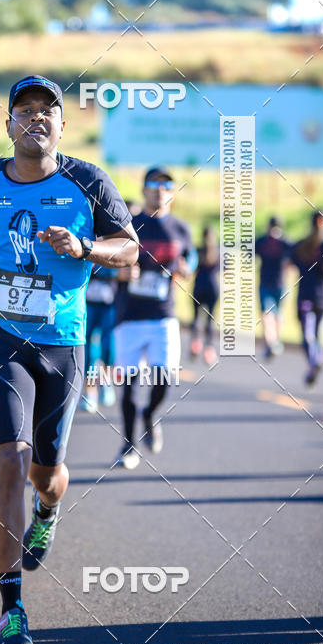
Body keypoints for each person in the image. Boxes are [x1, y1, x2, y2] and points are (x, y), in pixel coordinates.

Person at [0, 75, 138, 644]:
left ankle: (51, 506)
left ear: (62, 125)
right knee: (7, 462)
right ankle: (12, 610)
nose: (36, 118)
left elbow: (130, 248)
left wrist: (85, 250)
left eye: (47, 111)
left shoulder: (87, 182)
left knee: (45, 471)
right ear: (7, 124)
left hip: (63, 336)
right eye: (24, 110)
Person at [113, 167, 195, 470]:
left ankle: (150, 415)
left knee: (164, 377)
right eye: (153, 184)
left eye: (166, 185)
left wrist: (187, 268)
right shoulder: (129, 225)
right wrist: (118, 272)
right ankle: (129, 443)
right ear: (144, 189)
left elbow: (191, 257)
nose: (159, 190)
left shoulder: (181, 229)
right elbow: (104, 261)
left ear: (172, 191)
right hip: (130, 316)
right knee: (130, 384)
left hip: (164, 315)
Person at [290, 211, 323, 386]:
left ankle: (314, 362)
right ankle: (316, 361)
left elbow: (288, 263)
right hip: (321, 296)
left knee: (308, 334)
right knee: (317, 333)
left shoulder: (300, 246)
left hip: (306, 295)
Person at [79, 264, 118, 412]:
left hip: (109, 303)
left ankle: (106, 380)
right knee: (88, 348)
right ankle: (90, 391)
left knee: (108, 346)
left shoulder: (113, 241)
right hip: (87, 302)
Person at [255, 216, 291, 358]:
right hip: (277, 283)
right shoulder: (285, 242)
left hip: (270, 283)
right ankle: (274, 342)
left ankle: (272, 342)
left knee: (269, 314)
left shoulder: (263, 241)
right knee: (274, 314)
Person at [190, 226, 220, 365]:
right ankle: (209, 349)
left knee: (196, 316)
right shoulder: (218, 251)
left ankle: (196, 343)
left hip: (199, 286)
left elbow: (192, 267)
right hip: (213, 287)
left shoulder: (197, 250)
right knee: (210, 319)